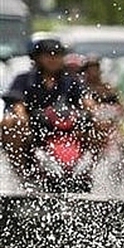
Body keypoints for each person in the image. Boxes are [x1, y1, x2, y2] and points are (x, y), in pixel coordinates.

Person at [0, 37, 101, 181]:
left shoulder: (71, 80)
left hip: (67, 127)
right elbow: (17, 102)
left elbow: (86, 99)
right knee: (10, 123)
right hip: (35, 128)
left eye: (57, 55)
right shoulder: (24, 79)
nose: (53, 59)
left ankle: (89, 169)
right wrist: (22, 115)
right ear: (37, 58)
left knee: (102, 124)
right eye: (48, 55)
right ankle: (21, 171)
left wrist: (94, 110)